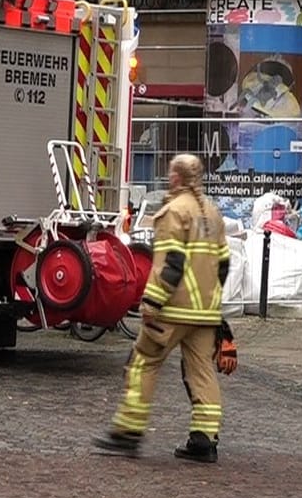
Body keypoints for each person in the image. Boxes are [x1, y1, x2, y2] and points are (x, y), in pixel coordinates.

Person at [94, 154, 231, 463]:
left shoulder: (174, 212)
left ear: (176, 178)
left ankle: (128, 433)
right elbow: (223, 264)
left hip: (172, 310)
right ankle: (204, 441)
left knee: (143, 363)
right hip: (205, 312)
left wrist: (153, 301)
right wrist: (212, 302)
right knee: (202, 371)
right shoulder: (212, 212)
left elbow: (171, 263)